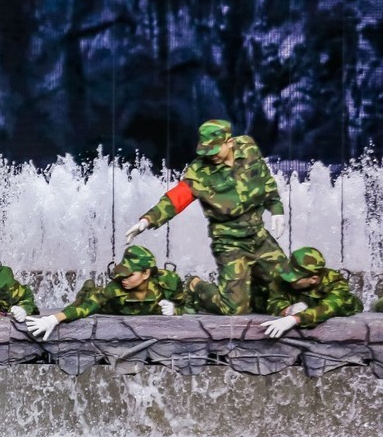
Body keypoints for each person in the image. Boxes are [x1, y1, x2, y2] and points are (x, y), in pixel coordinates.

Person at [123, 119, 287, 315]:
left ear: (229, 142)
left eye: (215, 149)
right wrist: (147, 220)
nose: (211, 155)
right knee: (233, 309)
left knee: (288, 284)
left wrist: (276, 209)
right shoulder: (200, 171)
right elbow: (176, 198)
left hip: (258, 236)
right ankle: (195, 286)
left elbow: (265, 180)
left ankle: (251, 295)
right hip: (230, 243)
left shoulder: (248, 148)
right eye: (206, 150)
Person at [25, 245, 190, 340]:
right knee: (86, 297)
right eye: (122, 273)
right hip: (105, 305)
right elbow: (85, 307)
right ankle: (88, 287)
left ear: (146, 273)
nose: (123, 278)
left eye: (129, 274)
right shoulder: (115, 289)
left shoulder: (167, 282)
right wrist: (53, 319)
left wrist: (175, 310)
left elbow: (189, 306)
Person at [258, 247, 362, 338]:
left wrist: (295, 319)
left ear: (313, 279)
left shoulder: (336, 282)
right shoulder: (283, 275)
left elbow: (328, 309)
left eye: (293, 278)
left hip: (347, 311)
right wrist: (287, 310)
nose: (287, 279)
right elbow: (274, 301)